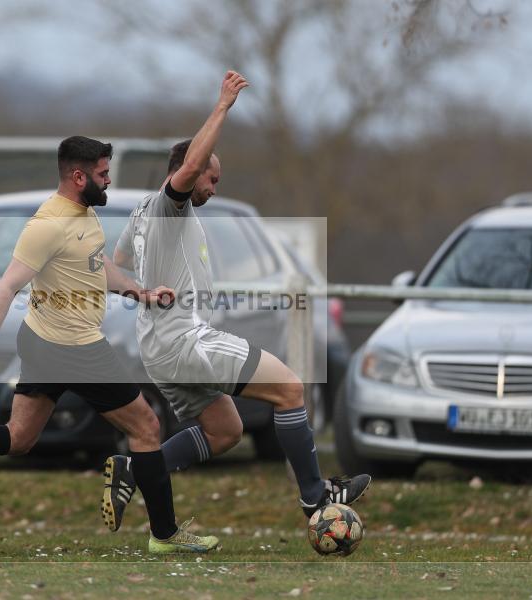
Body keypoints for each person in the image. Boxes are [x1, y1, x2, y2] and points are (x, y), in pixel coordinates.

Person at [0, 136, 219, 554]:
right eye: (102, 174)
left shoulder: (84, 214)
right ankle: (165, 534)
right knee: (147, 427)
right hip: (74, 348)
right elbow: (6, 287)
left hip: (47, 343)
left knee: (19, 437)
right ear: (78, 177)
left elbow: (98, 271)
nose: (109, 179)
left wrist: (143, 293)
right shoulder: (48, 225)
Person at [104, 71, 371, 532]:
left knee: (225, 432)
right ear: (190, 170)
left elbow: (120, 259)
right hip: (185, 341)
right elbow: (187, 172)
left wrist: (142, 288)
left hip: (158, 348)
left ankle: (135, 469)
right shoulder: (172, 204)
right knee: (289, 388)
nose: (214, 187)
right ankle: (315, 499)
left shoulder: (143, 211)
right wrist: (223, 106)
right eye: (212, 177)